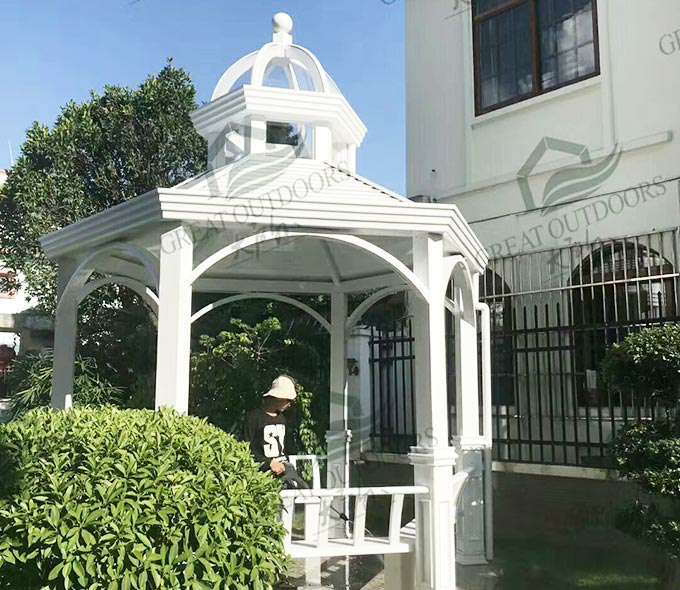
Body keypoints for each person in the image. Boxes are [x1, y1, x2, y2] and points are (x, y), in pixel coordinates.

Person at [245, 375, 308, 489]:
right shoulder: (254, 418)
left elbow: (285, 447)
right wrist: (268, 463)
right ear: (277, 397)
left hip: (285, 471)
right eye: (288, 400)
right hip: (263, 475)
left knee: (304, 492)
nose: (290, 404)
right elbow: (247, 448)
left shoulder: (283, 418)